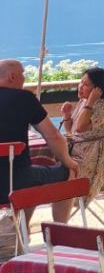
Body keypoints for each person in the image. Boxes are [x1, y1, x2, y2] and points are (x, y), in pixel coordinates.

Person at [0, 59, 79, 228]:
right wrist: (68, 161)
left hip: (15, 181)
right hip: (14, 182)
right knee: (67, 173)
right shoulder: (24, 98)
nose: (24, 78)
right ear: (12, 77)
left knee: (32, 176)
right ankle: (60, 232)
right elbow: (53, 135)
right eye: (23, 74)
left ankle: (21, 231)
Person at [60, 66, 104, 200]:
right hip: (77, 151)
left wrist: (90, 102)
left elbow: (80, 128)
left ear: (98, 89)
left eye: (86, 84)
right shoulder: (84, 101)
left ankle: (60, 201)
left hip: (92, 157)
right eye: (81, 82)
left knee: (57, 171)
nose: (80, 87)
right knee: (46, 158)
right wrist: (67, 115)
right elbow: (71, 130)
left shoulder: (102, 105)